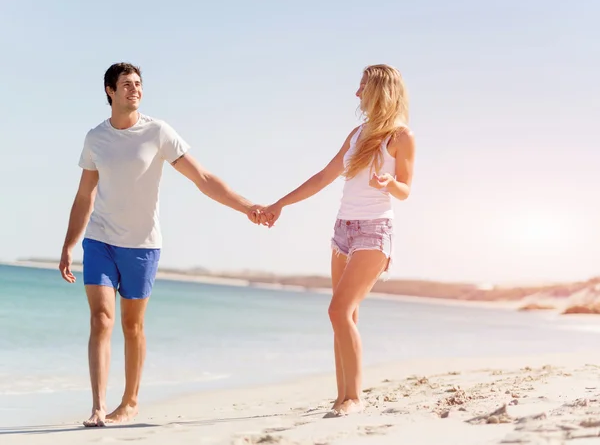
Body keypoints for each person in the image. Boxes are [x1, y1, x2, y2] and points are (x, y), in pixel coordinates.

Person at [58, 62, 263, 427]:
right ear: (109, 91)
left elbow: (203, 178)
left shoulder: (158, 132)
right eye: (126, 84)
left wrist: (247, 206)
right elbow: (84, 195)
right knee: (100, 319)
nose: (134, 89)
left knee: (132, 325)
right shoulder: (96, 139)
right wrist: (69, 244)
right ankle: (98, 407)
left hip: (142, 245)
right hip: (100, 239)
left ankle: (130, 401)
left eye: (138, 84)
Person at [255, 64, 415, 415]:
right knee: (346, 316)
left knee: (338, 310)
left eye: (362, 88)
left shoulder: (401, 137)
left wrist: (389, 185)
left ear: (378, 91)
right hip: (343, 230)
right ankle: (342, 395)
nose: (357, 94)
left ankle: (355, 398)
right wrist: (280, 204)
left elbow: (406, 188)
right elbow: (325, 175)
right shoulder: (358, 134)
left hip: (374, 232)